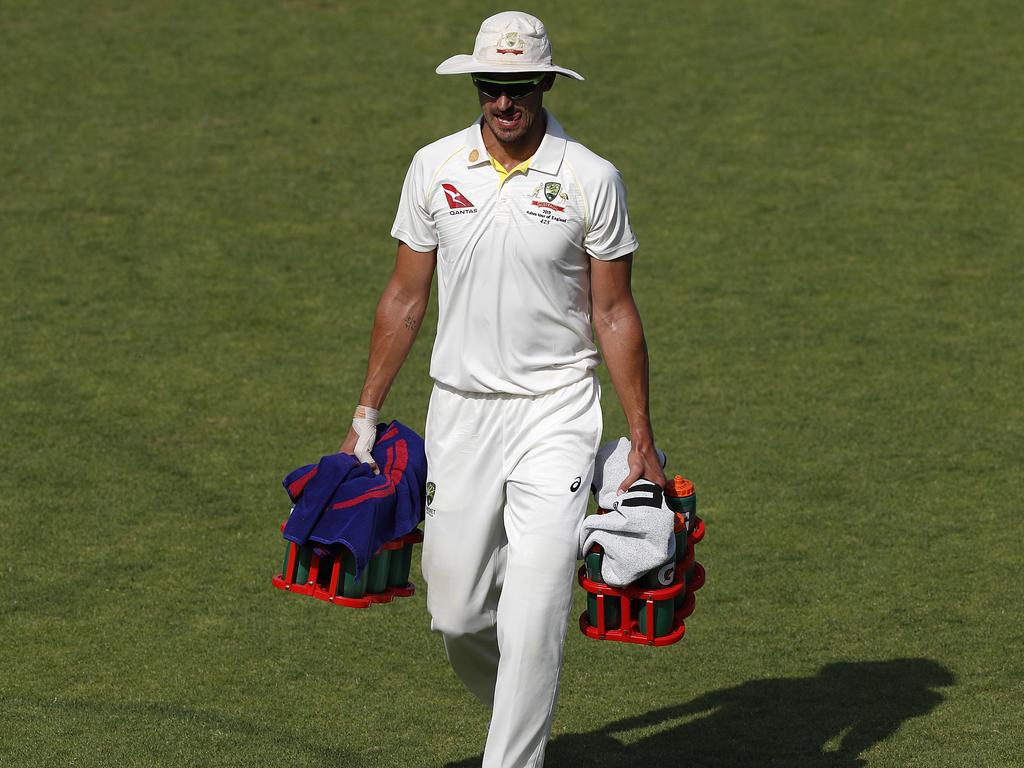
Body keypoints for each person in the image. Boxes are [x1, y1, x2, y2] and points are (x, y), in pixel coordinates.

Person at [339, 11, 665, 768]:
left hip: (557, 414)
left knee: (540, 600)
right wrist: (365, 412)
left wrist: (641, 436)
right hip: (460, 413)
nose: (503, 100)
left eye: (518, 86)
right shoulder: (433, 167)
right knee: (455, 614)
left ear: (546, 83)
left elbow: (613, 310)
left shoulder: (591, 178)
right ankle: (525, 716)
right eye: (491, 85)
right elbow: (404, 296)